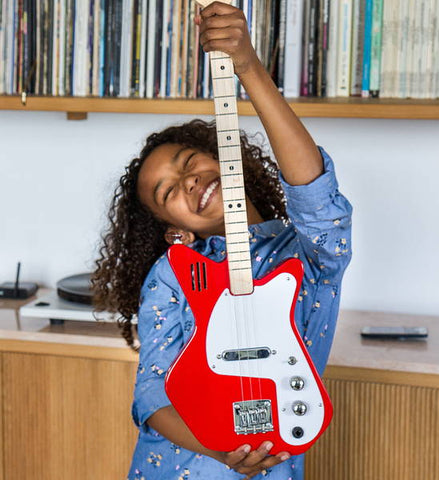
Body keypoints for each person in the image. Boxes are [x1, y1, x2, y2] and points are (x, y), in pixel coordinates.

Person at [93, 3, 352, 479]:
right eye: (168, 191)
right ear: (166, 223)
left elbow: (316, 200)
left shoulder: (305, 257)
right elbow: (151, 394)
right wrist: (218, 450)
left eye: (190, 162)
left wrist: (248, 66)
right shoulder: (173, 275)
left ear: (226, 158)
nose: (188, 182)